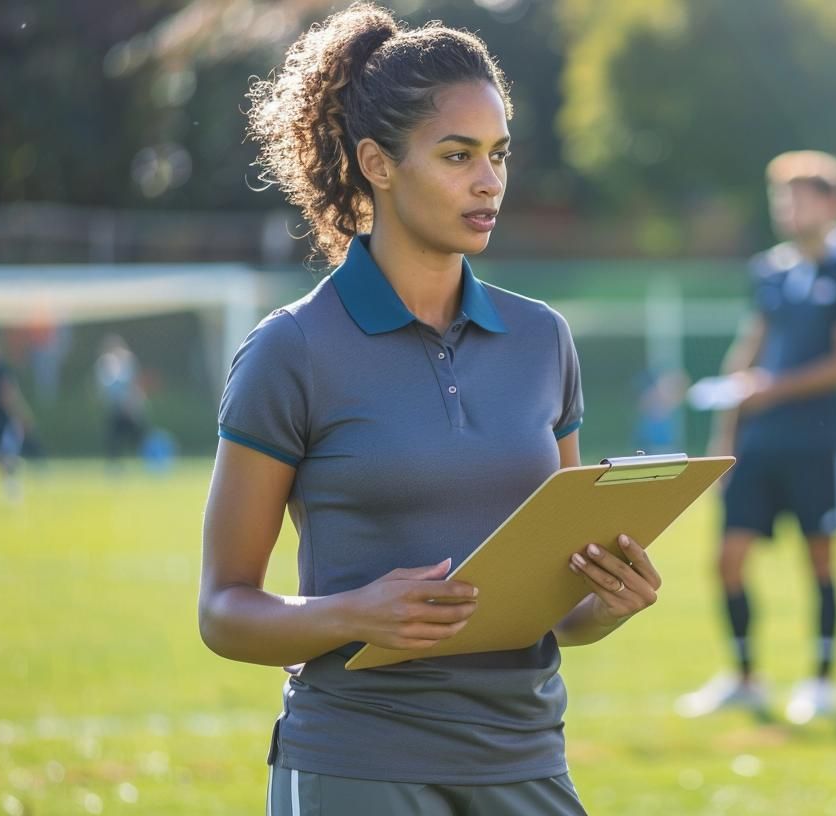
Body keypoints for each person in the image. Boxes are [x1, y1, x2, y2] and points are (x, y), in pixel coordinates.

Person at [199, 6, 660, 813]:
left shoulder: (542, 339)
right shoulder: (293, 350)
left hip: (524, 761)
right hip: (356, 761)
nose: (489, 182)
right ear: (377, 163)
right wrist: (353, 613)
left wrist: (607, 601)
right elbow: (223, 610)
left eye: (499, 156)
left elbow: (560, 608)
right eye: (458, 156)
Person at [676, 151, 836, 724]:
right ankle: (744, 677)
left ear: (833, 204)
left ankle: (821, 682)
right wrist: (726, 434)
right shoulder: (770, 270)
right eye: (781, 198)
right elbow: (752, 345)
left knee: (819, 560)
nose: (788, 208)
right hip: (758, 445)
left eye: (800, 197)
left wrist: (772, 387)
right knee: (728, 560)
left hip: (815, 445)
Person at [0, 332, 36, 501]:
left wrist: (21, 414)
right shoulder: (2, 370)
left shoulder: (2, 370)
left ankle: (10, 487)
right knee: (4, 455)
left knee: (5, 455)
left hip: (0, 421)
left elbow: (8, 395)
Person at [94, 334, 147, 462]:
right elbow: (105, 387)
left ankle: (152, 459)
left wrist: (132, 403)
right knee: (114, 438)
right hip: (116, 408)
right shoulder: (105, 363)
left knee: (139, 437)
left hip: (130, 408)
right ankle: (115, 465)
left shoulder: (128, 360)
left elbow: (134, 384)